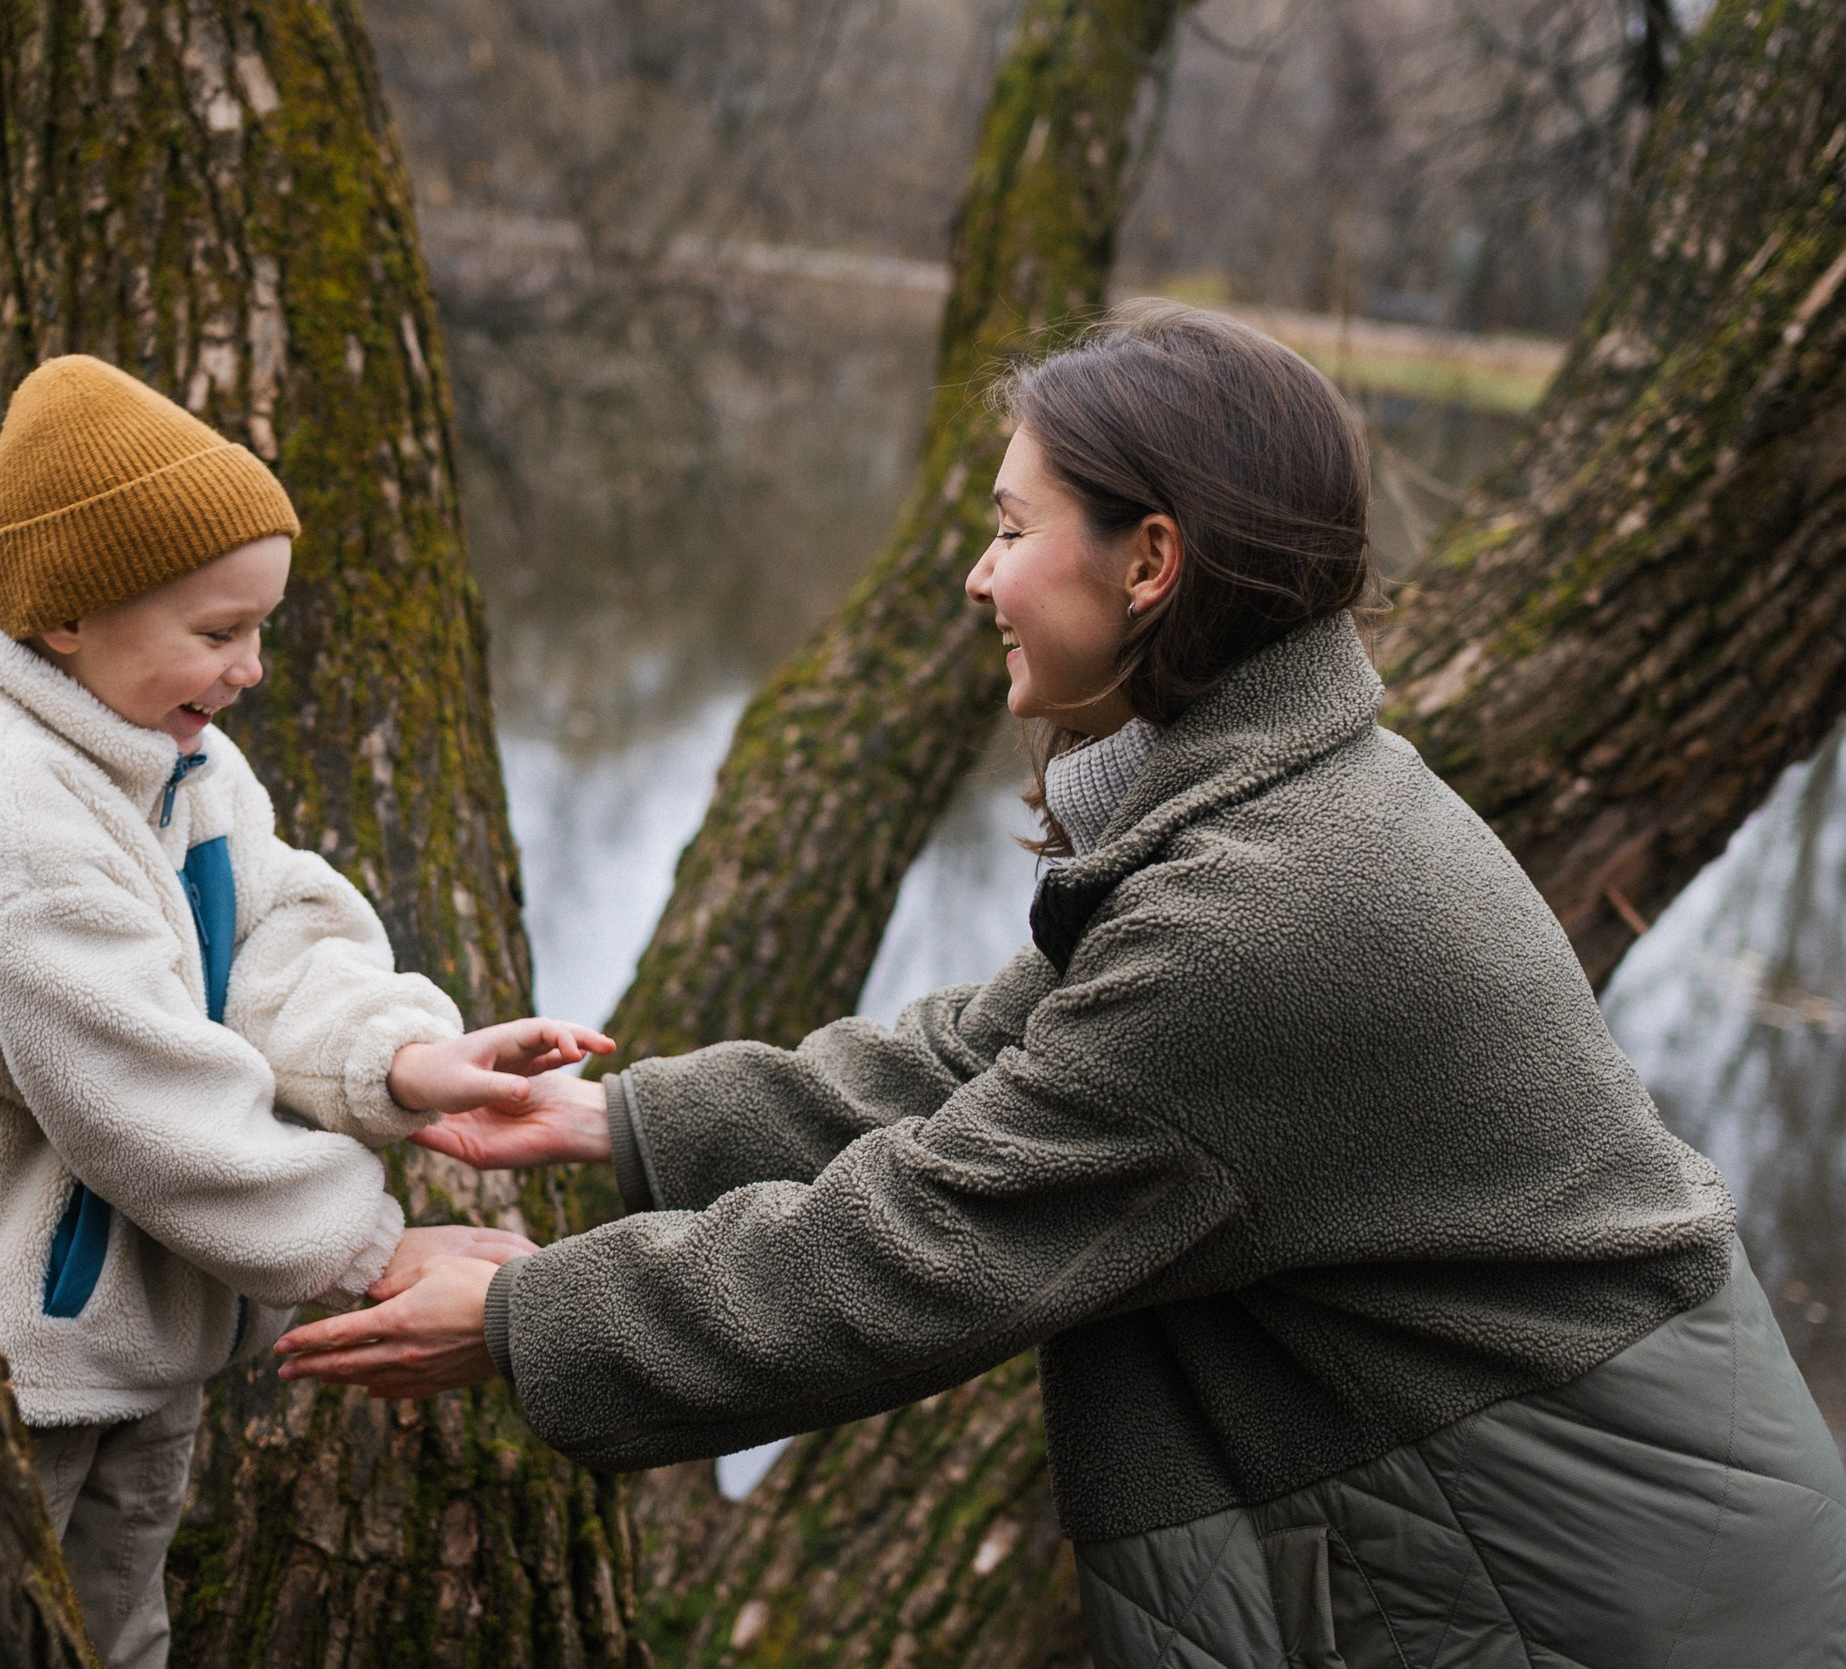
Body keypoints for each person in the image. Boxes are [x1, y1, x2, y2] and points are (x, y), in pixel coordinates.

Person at [276, 303, 1846, 1666]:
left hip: (1610, 1597)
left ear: (1150, 560)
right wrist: (614, 1122)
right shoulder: (1280, 809)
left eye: (1015, 529)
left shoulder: (1275, 912)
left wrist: (534, 1313)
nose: (976, 576)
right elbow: (983, 1057)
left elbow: (935, 1236)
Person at [0, 353, 604, 1669]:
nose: (252, 667)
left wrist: (402, 1057)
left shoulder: (175, 751)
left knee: (125, 1631)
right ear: (67, 620)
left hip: (141, 1350)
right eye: (218, 632)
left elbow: (268, 931)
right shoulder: (5, 812)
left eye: (259, 626)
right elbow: (139, 1101)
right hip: (9, 1366)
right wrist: (369, 1250)